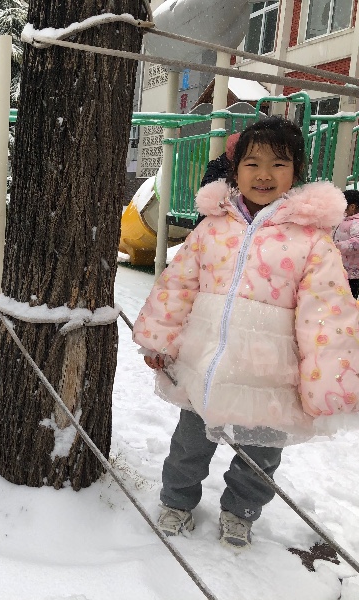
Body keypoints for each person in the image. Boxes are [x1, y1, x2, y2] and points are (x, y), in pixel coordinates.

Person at [133, 117, 359, 550]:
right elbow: (179, 285)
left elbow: (328, 316)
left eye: (279, 164)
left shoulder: (313, 241)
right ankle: (177, 500)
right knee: (188, 445)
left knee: (260, 457)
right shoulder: (213, 226)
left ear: (297, 172)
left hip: (270, 374)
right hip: (205, 365)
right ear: (235, 171)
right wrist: (160, 340)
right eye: (252, 163)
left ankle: (241, 512)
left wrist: (329, 384)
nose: (264, 174)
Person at [333, 189, 359, 298]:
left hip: (353, 272)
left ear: (352, 207)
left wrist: (337, 246)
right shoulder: (345, 220)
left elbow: (357, 242)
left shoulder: (356, 223)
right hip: (343, 267)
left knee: (349, 297)